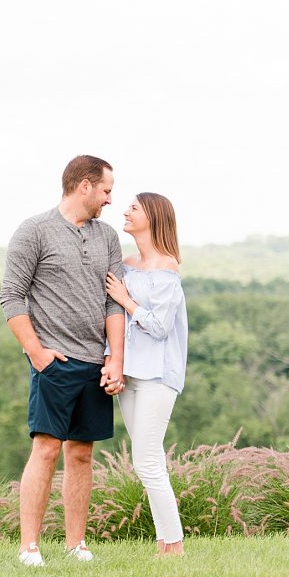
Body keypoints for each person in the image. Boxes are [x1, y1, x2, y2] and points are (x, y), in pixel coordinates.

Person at [0, 155, 126, 567]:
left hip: (96, 363)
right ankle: (29, 547)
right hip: (54, 361)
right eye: (106, 190)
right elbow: (11, 296)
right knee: (47, 449)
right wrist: (37, 354)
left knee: (82, 453)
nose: (110, 199)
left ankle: (76, 544)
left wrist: (115, 359)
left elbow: (113, 302)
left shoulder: (106, 237)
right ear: (85, 186)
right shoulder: (34, 231)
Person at [104, 192, 188, 557]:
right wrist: (112, 362)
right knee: (148, 460)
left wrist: (126, 300)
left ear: (152, 217)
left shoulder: (167, 267)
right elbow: (114, 323)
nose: (125, 210)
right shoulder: (126, 264)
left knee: (147, 460)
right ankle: (163, 543)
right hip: (131, 373)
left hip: (158, 375)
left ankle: (175, 545)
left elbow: (159, 326)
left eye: (134, 207)